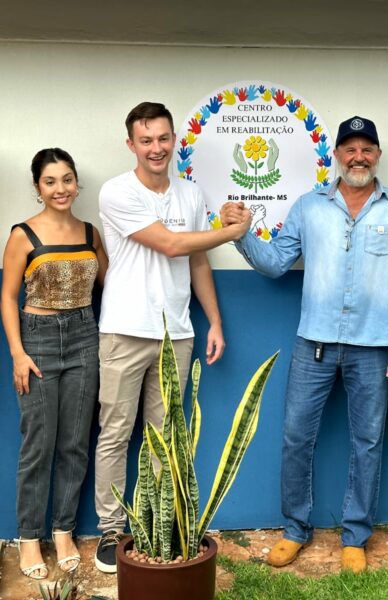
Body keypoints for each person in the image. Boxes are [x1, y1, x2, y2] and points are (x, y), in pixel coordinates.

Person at [221, 116, 388, 573]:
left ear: (377, 154)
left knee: (368, 443)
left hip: (374, 347)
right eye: (349, 148)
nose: (358, 157)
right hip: (313, 343)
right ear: (336, 154)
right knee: (297, 437)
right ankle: (295, 530)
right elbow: (275, 263)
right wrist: (242, 234)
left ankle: (355, 536)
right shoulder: (309, 206)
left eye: (366, 148)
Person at [94, 101, 251, 573]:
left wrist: (215, 321)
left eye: (163, 139)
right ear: (131, 145)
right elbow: (170, 244)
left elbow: (195, 262)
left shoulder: (190, 193)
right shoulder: (115, 192)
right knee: (116, 434)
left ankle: (158, 529)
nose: (156, 148)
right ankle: (109, 531)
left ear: (173, 140)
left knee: (167, 437)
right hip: (124, 330)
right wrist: (229, 231)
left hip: (177, 335)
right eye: (146, 140)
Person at [1, 148, 107, 580]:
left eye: (67, 179)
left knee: (75, 443)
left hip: (85, 337)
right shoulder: (23, 234)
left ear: (77, 182)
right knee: (38, 445)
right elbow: (8, 296)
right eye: (51, 181)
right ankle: (30, 536)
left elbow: (112, 282)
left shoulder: (89, 232)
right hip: (38, 341)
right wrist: (18, 353)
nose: (61, 188)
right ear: (37, 187)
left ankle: (62, 530)